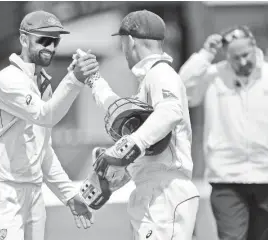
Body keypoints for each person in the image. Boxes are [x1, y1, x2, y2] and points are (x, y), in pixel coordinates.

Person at [75, 10, 200, 239]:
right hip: (153, 191)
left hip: (165, 191)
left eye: (122, 42)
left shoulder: (161, 73)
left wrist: (131, 145)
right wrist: (94, 80)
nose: (123, 50)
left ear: (130, 40)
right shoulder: (149, 79)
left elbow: (171, 111)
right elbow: (120, 112)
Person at [0, 11, 97, 240]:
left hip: (33, 190)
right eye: (43, 40)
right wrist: (75, 80)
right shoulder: (8, 80)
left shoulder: (42, 84)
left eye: (55, 41)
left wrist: (69, 195)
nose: (50, 46)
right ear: (23, 39)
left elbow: (42, 150)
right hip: (2, 190)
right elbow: (45, 116)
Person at [179, 25, 268, 240]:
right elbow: (183, 88)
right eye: (235, 58)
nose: (242, 62)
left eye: (245, 55)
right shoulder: (213, 75)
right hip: (226, 177)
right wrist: (206, 54)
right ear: (227, 56)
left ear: (254, 46)